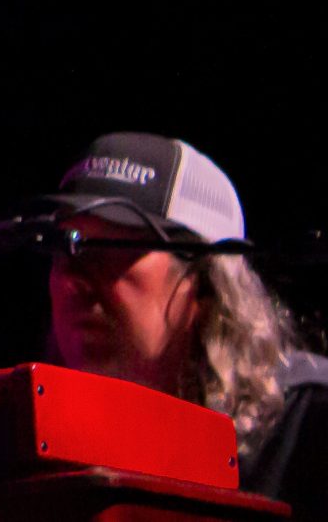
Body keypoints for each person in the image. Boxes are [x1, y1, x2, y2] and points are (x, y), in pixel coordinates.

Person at [32, 133, 324, 512]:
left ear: (204, 285)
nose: (73, 278)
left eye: (111, 250)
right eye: (64, 248)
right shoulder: (41, 443)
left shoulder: (312, 424)